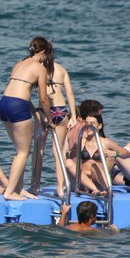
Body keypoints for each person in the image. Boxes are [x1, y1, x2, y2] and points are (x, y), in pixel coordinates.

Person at [0, 37, 54, 201]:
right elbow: (43, 99)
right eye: (47, 55)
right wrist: (49, 119)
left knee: (19, 151)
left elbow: (21, 91)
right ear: (42, 52)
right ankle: (9, 192)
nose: (46, 59)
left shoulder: (19, 63)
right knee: (23, 152)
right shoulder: (39, 68)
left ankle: (19, 188)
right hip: (18, 106)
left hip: (4, 103)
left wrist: (35, 113)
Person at [64, 113, 130, 195]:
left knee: (94, 165)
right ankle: (94, 190)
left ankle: (101, 189)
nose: (88, 126)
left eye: (92, 124)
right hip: (83, 181)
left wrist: (114, 153)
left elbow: (126, 153)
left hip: (99, 181)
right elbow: (70, 156)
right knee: (68, 162)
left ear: (99, 126)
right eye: (86, 123)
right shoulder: (81, 141)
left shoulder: (106, 142)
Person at [47, 58, 78, 197]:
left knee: (40, 149)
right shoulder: (61, 69)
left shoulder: (37, 68)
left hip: (46, 110)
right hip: (61, 110)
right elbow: (70, 93)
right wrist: (74, 116)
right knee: (58, 151)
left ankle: (35, 185)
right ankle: (61, 187)